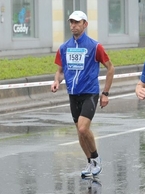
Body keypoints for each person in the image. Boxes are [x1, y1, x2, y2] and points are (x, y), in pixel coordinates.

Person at [51, 11, 115, 178]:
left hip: (90, 93)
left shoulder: (95, 46)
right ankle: (89, 163)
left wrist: (105, 93)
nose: (73, 25)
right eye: (71, 22)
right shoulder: (64, 48)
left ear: (85, 24)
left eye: (77, 22)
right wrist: (57, 81)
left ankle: (96, 158)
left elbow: (111, 68)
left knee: (82, 127)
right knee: (80, 132)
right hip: (73, 94)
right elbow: (59, 70)